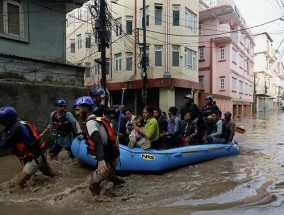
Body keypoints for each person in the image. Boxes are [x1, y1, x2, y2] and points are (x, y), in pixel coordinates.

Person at [73, 96, 125, 196]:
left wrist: (101, 160)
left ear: (86, 109)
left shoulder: (90, 123)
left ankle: (105, 204)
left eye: (78, 110)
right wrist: (103, 100)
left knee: (92, 186)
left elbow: (98, 141)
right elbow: (100, 109)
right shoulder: (95, 116)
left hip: (107, 159)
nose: (76, 113)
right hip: (113, 157)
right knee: (111, 177)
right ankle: (123, 186)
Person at [0, 106, 61, 188]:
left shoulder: (17, 128)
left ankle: (30, 197)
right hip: (38, 154)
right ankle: (63, 177)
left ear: (9, 119)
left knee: (21, 181)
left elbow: (4, 144)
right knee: (48, 172)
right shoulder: (20, 122)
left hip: (34, 157)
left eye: (2, 121)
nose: (1, 123)